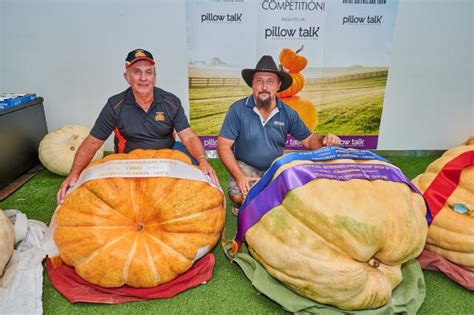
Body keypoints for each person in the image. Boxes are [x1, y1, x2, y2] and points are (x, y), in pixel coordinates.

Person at [57, 48, 217, 204]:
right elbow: (92, 142)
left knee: (197, 174)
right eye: (137, 72)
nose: (143, 78)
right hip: (130, 161)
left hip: (167, 155)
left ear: (155, 77)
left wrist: (203, 159)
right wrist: (74, 174)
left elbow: (188, 136)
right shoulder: (115, 105)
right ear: (127, 77)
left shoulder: (170, 101)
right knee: (121, 199)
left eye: (149, 72)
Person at [217, 55, 341, 215]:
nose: (264, 87)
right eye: (259, 81)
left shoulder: (288, 113)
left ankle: (259, 202)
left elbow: (310, 141)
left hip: (276, 165)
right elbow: (223, 145)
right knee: (238, 194)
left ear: (278, 85)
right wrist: (240, 177)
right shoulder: (237, 109)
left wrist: (325, 140)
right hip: (246, 166)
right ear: (252, 84)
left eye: (270, 82)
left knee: (300, 192)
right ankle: (256, 203)